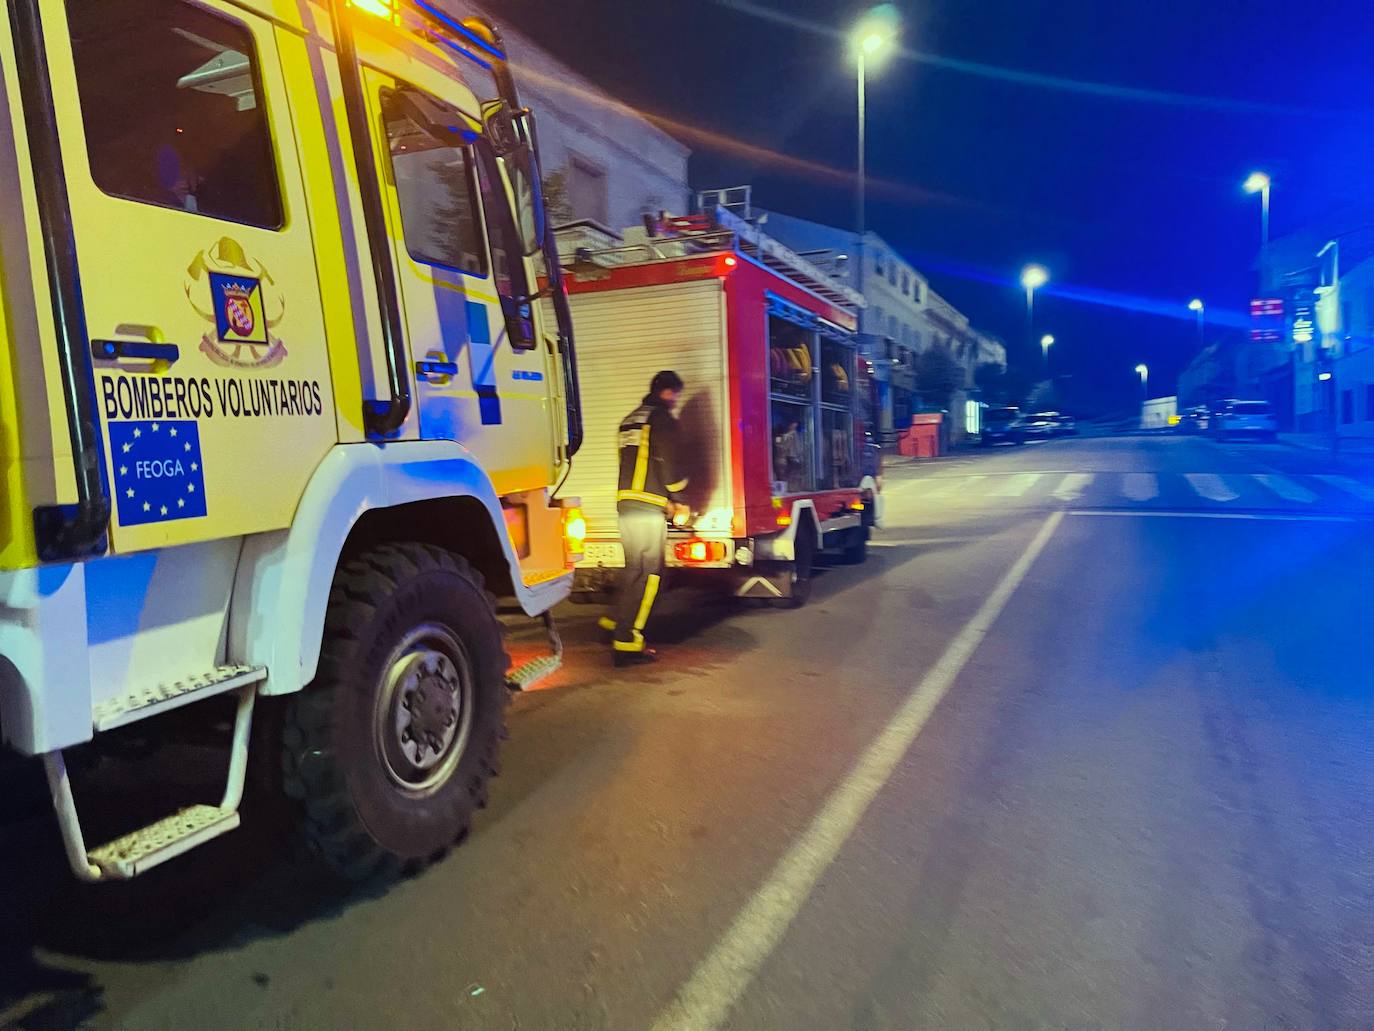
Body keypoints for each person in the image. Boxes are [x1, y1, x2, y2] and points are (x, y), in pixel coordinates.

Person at [601, 371, 689, 667]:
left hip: (626, 504)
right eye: (676, 395)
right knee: (651, 574)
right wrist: (678, 498)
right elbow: (671, 464)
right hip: (649, 507)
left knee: (633, 570)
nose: (676, 401)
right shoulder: (661, 419)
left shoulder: (630, 419)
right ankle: (628, 641)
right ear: (667, 392)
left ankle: (614, 622)